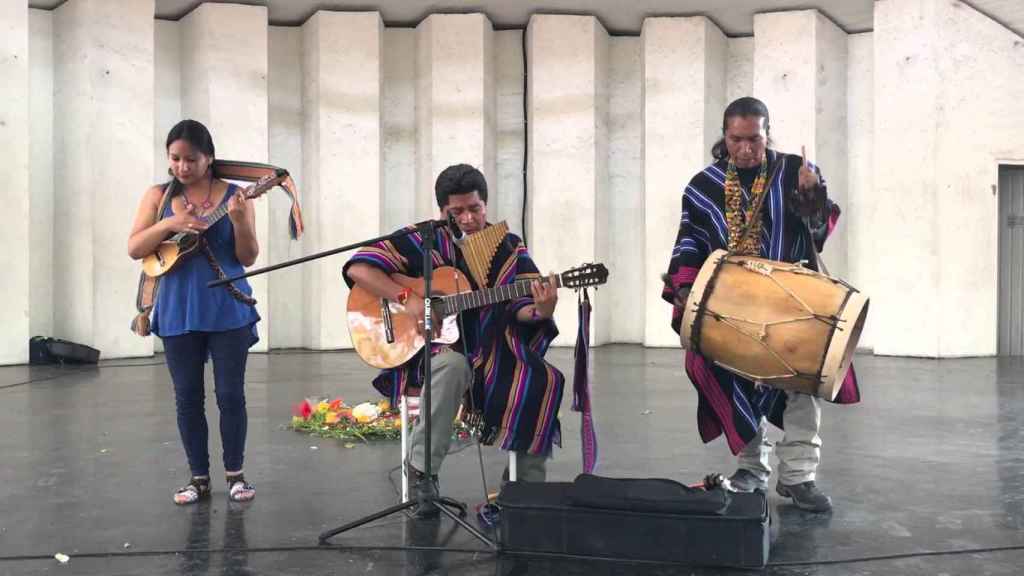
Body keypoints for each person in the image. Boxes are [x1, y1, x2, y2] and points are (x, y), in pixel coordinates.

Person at [662, 97, 860, 512]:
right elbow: (691, 241)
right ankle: (752, 469)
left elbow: (818, 232)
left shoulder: (794, 172)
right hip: (729, 303)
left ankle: (799, 476)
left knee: (802, 384)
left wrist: (811, 197)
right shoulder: (703, 186)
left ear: (767, 134)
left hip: (791, 301)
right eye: (737, 139)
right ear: (725, 137)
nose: (747, 148)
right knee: (721, 374)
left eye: (755, 138)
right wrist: (684, 288)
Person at [344, 163, 562, 518]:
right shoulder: (422, 238)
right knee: (450, 366)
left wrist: (543, 308)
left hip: (494, 348)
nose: (467, 218)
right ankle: (422, 473)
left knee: (542, 378)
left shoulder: (508, 246)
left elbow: (523, 307)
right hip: (433, 347)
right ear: (442, 211)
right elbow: (359, 268)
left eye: (474, 209)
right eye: (456, 211)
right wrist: (407, 298)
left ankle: (523, 488)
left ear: (485, 205)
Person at [128, 119, 259, 505]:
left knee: (230, 395)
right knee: (187, 396)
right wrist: (170, 222)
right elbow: (135, 248)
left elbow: (248, 257)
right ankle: (198, 478)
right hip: (176, 308)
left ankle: (235, 475)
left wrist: (238, 221)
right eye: (175, 158)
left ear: (209, 158)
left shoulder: (235, 195)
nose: (182, 167)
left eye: (191, 159)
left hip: (226, 305)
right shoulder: (158, 195)